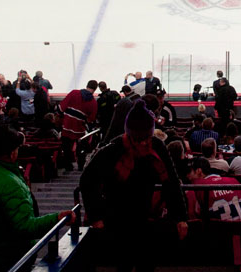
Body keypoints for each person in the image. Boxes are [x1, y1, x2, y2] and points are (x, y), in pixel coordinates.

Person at [79, 99, 188, 271]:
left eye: (147, 137)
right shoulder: (113, 149)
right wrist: (96, 216)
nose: (144, 143)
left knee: (147, 264)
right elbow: (87, 180)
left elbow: (171, 183)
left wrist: (180, 217)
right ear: (129, 134)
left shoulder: (157, 147)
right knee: (124, 265)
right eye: (139, 139)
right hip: (116, 219)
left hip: (145, 217)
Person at [0, 124, 73, 272]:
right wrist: (57, 218)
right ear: (12, 153)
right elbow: (26, 228)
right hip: (12, 257)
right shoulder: (11, 184)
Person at [185, 156, 241, 220]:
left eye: (189, 171)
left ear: (199, 171)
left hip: (218, 232)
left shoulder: (195, 189)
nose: (187, 175)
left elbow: (193, 218)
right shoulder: (233, 180)